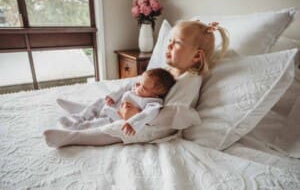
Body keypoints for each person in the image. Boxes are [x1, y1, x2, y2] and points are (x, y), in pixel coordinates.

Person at [43, 20, 229, 147]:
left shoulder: (190, 80)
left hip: (153, 127)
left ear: (196, 56)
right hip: (141, 110)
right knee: (115, 100)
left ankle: (73, 136)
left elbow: (170, 115)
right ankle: (86, 111)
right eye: (169, 41)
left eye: (177, 43)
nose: (169, 46)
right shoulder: (169, 70)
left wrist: (136, 116)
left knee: (116, 129)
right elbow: (140, 85)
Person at [58, 68, 176, 136]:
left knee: (97, 123)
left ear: (154, 95)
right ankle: (79, 116)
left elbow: (148, 114)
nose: (137, 85)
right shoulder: (138, 86)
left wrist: (133, 122)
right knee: (98, 102)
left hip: (115, 117)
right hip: (112, 105)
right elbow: (124, 88)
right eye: (140, 81)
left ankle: (76, 127)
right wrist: (113, 97)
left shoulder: (153, 103)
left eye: (143, 87)